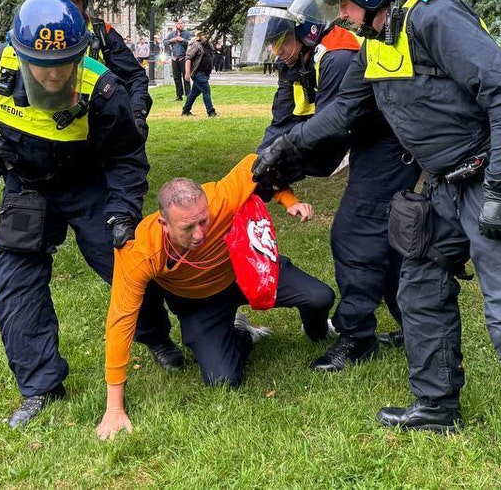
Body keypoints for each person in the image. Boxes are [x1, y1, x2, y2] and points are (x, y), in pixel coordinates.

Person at [256, 0, 501, 490]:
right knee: (418, 284)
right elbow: (348, 108)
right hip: (445, 183)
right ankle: (437, 406)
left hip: (493, 178)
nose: (339, 14)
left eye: (345, 2)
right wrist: (286, 147)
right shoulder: (378, 37)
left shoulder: (435, 18)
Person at [0, 0, 183, 429]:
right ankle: (41, 387)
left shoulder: (103, 87)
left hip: (86, 184)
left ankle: (156, 337)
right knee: (13, 280)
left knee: (124, 263)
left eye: (64, 65)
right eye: (42, 65)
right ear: (19, 52)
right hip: (27, 185)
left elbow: (127, 157)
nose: (53, 75)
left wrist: (122, 213)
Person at [95, 154, 335, 440]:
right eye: (187, 228)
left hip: (245, 271)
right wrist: (114, 407)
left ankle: (316, 329)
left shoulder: (221, 197)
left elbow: (261, 166)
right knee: (223, 380)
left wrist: (289, 200)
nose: (200, 234)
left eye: (203, 222)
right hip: (199, 301)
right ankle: (241, 332)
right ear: (164, 225)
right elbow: (120, 321)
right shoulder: (139, 251)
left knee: (320, 297)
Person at [243, 0, 417, 370]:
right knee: (386, 240)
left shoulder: (336, 57)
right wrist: (259, 164)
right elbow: (281, 122)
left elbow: (331, 140)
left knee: (353, 233)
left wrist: (283, 165)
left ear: (305, 30)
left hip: (388, 143)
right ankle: (416, 327)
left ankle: (356, 339)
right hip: (368, 139)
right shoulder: (297, 62)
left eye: (280, 41)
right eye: (270, 44)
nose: (276, 52)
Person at [43, 0, 153, 139]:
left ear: (84, 2)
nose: (70, 9)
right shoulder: (37, 37)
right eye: (63, 3)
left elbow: (135, 77)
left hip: (99, 132)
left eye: (76, 1)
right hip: (52, 132)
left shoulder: (103, 34)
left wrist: (137, 114)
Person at [181, 30, 218, 117]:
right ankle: (211, 112)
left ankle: (186, 111)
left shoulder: (209, 45)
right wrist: (187, 73)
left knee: (194, 93)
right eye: (204, 34)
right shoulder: (196, 45)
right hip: (197, 73)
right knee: (206, 92)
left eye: (208, 34)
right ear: (200, 35)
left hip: (205, 73)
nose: (207, 36)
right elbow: (188, 58)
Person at [163, 19, 191, 100]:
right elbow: (165, 42)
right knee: (176, 78)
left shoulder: (187, 34)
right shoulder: (172, 34)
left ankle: (188, 95)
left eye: (182, 23)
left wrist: (182, 40)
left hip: (184, 58)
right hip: (174, 58)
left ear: (184, 25)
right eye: (179, 23)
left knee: (186, 77)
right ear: (176, 24)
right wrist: (172, 40)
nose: (180, 25)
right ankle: (179, 96)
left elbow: (191, 43)